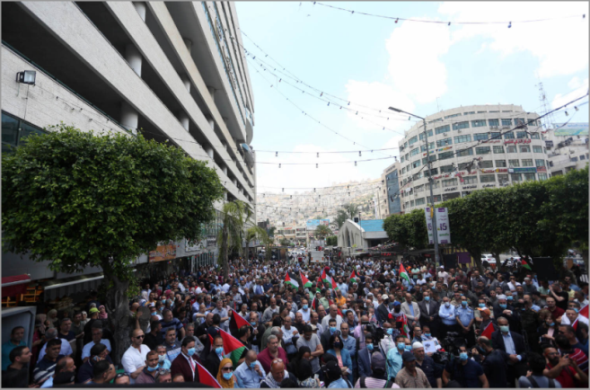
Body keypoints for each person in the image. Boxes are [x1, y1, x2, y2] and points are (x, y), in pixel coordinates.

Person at [491, 316, 527, 385]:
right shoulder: (495, 336)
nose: (504, 326)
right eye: (501, 325)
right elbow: (496, 350)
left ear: (508, 324)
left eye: (506, 324)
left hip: (519, 365)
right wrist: (509, 356)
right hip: (506, 365)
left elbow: (525, 351)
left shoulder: (517, 336)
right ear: (498, 325)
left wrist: (518, 357)